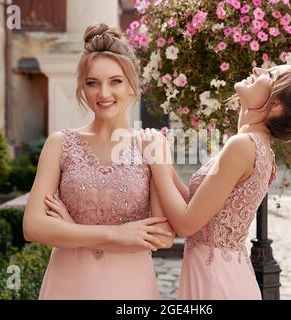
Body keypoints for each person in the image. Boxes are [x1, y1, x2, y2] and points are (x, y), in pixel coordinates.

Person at [146, 63, 291, 299]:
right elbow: (200, 212)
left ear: (276, 105)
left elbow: (186, 225)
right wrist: (161, 163)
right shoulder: (257, 148)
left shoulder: (243, 146)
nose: (257, 69)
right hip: (221, 274)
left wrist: (158, 160)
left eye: (269, 74)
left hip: (216, 281)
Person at [22, 23, 176, 300]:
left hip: (131, 287)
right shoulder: (59, 143)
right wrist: (115, 234)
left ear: (132, 85)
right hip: (67, 284)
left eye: (115, 81)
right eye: (93, 83)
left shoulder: (151, 144)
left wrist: (70, 230)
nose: (103, 93)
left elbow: (162, 236)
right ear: (83, 87)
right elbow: (32, 226)